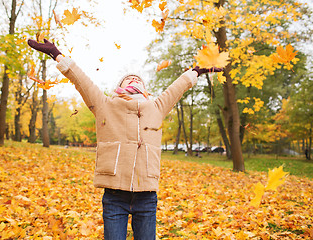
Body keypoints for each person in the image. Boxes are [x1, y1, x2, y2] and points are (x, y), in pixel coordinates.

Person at [27, 39, 222, 240]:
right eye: (128, 78)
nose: (134, 80)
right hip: (114, 196)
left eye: (138, 79)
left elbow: (178, 87)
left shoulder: (156, 106)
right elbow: (81, 80)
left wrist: (197, 71)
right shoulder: (105, 105)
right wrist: (55, 53)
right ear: (119, 85)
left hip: (146, 196)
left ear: (145, 88)